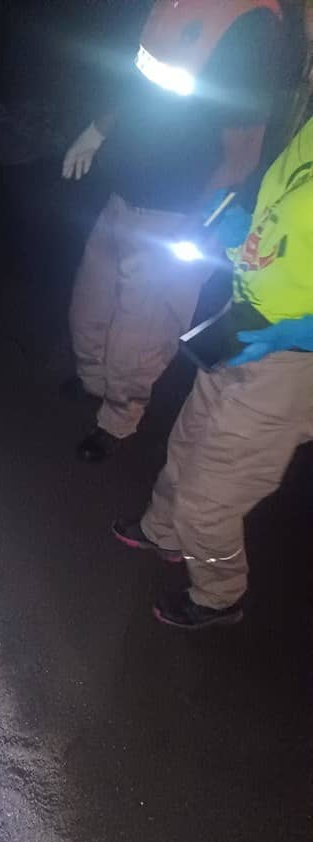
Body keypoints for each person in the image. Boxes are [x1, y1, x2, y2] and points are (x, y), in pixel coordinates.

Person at [111, 113, 313, 629]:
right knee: (189, 440)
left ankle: (220, 594)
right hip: (244, 320)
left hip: (292, 361)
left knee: (211, 500)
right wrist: (240, 236)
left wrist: (297, 333)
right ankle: (164, 531)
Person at [61, 0, 285, 462]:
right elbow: (138, 76)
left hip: (177, 210)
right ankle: (93, 383)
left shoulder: (252, 24)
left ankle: (118, 419)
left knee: (140, 331)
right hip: (123, 191)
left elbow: (243, 147)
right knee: (90, 307)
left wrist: (203, 225)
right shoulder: (175, 4)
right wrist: (97, 130)